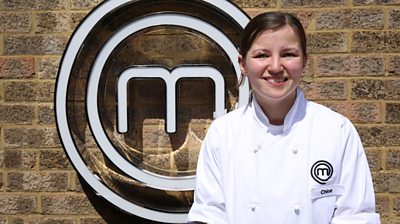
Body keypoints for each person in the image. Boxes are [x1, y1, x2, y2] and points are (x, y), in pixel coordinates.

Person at [187, 12, 380, 223]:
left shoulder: (336, 131)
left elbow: (356, 216)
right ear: (243, 64)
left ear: (304, 61)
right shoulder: (223, 134)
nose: (276, 67)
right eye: (262, 55)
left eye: (288, 54)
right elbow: (210, 215)